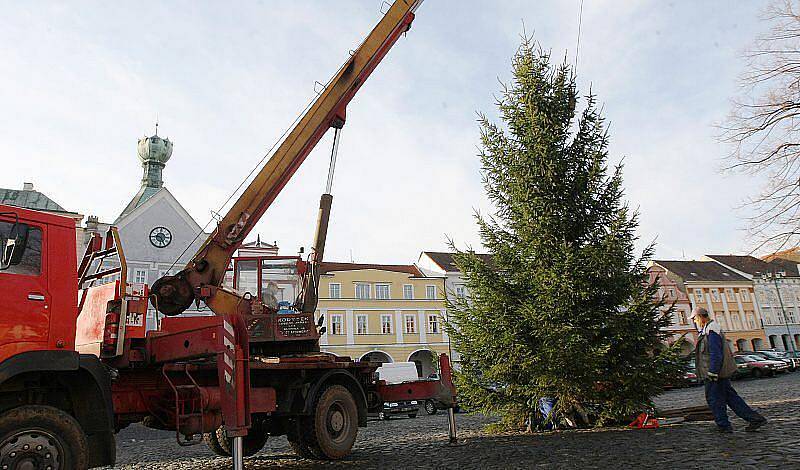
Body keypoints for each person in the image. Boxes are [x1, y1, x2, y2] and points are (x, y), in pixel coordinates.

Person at [691, 307, 767, 433]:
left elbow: (716, 353)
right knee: (731, 398)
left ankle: (723, 425)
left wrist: (713, 372)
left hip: (715, 374)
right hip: (717, 372)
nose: (694, 321)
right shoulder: (708, 329)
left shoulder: (711, 330)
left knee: (715, 400)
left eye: (694, 318)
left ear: (700, 317)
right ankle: (754, 419)